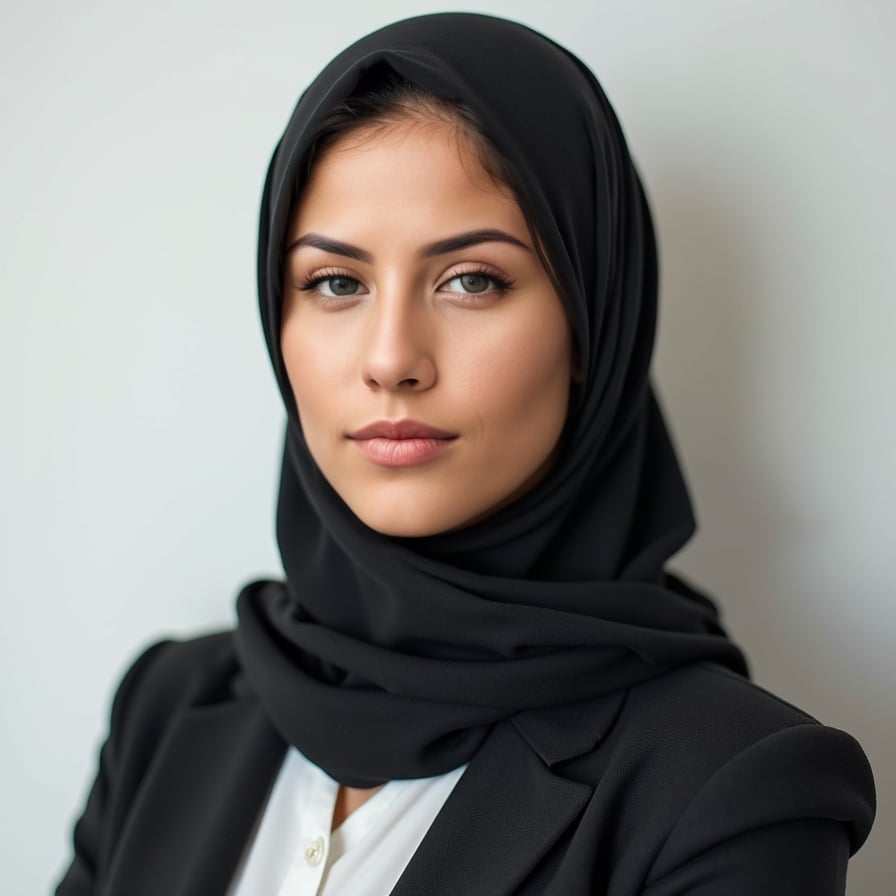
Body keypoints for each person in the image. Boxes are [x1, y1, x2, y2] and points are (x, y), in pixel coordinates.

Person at [55, 12, 875, 895]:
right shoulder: (167, 708)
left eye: (471, 280)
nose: (391, 360)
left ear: (591, 325)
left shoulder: (738, 788)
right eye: (337, 282)